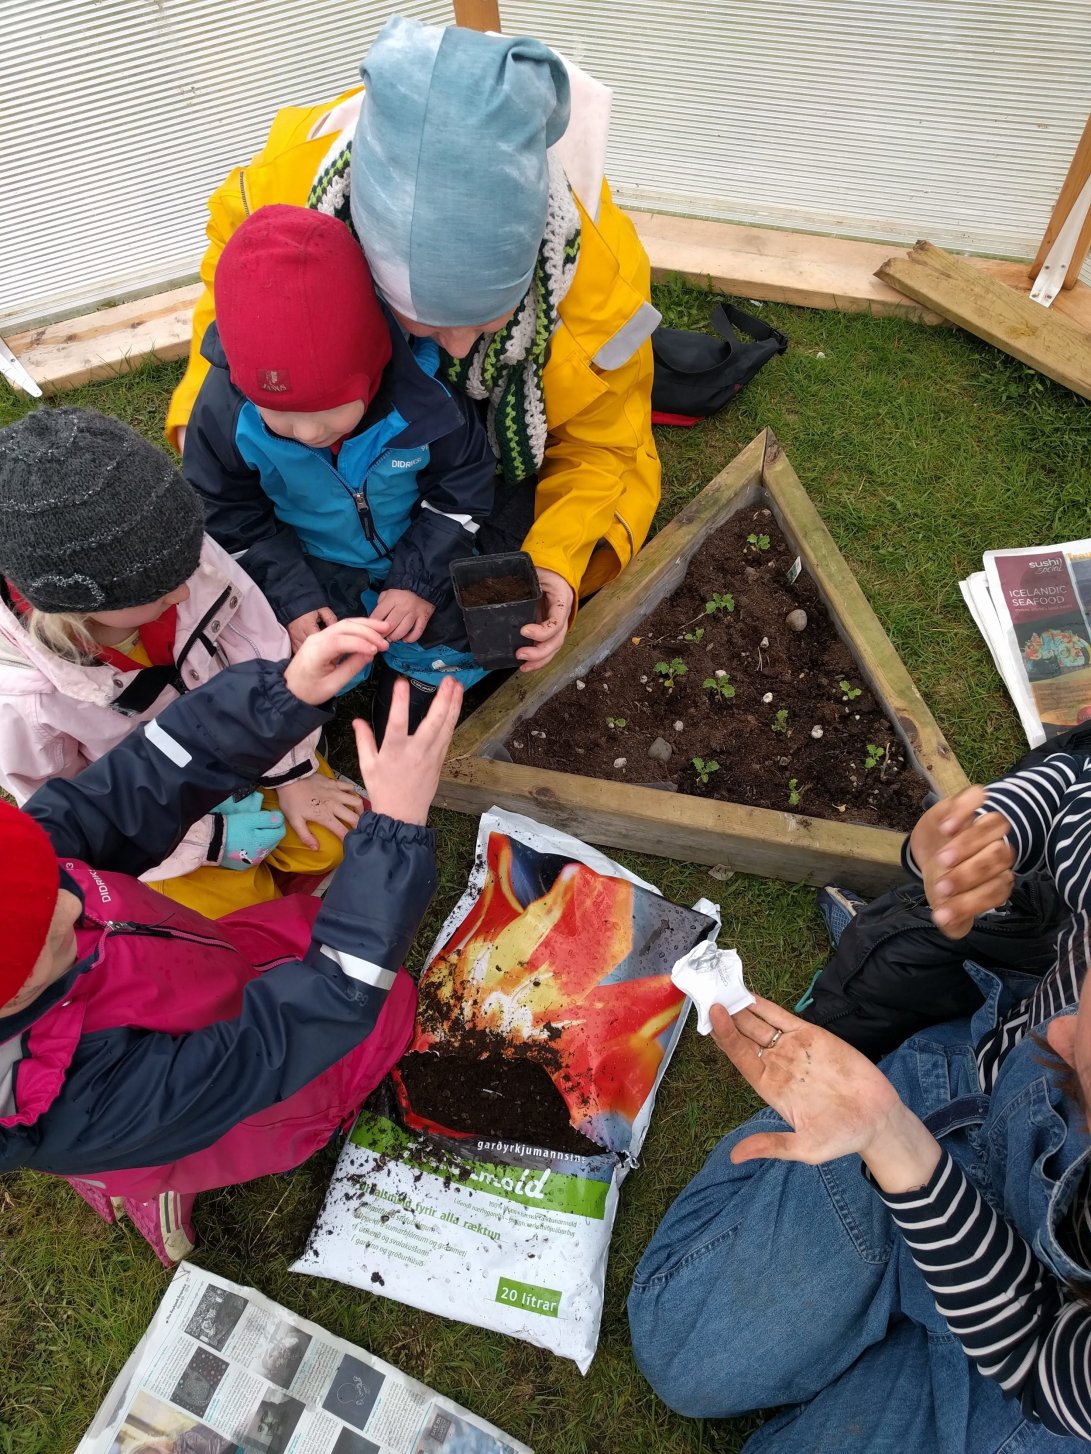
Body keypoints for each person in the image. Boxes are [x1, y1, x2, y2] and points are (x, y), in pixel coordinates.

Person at [166, 15, 662, 672]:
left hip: (452, 489)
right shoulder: (271, 214)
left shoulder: (602, 281)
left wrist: (556, 560)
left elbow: (606, 443)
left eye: (489, 322)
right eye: (421, 324)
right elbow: (225, 397)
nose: (455, 353)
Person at [629, 763, 1091, 1449]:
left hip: (1041, 1358)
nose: (1049, 1026)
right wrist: (975, 843)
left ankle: (928, 1346)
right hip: (970, 1112)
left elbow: (1033, 1355)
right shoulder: (1051, 1025)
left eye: (1077, 1076)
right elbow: (1072, 791)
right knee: (685, 1347)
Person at [0, 616, 462, 1266]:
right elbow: (300, 1026)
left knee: (289, 943)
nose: (77, 891)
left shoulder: (25, 882)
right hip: (239, 1095)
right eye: (54, 921)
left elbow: (137, 782)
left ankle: (128, 1167)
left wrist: (280, 697)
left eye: (52, 873)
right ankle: (146, 1173)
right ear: (15, 994)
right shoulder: (94, 1095)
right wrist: (393, 831)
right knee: (380, 1015)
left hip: (196, 964)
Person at [0, 407, 362, 918]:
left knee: (332, 839)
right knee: (238, 919)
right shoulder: (21, 699)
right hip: (160, 827)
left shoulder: (172, 550)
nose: (187, 588)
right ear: (79, 606)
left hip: (245, 751)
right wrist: (210, 839)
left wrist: (292, 774)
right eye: (163, 590)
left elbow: (263, 653)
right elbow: (75, 823)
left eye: (190, 565)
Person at [183, 204, 495, 727]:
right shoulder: (223, 415)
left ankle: (417, 675)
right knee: (290, 646)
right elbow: (229, 513)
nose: (308, 434)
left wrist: (418, 580)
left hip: (419, 544)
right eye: (280, 416)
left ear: (372, 369)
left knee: (470, 621)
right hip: (312, 561)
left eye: (329, 416)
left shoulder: (426, 398)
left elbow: (463, 488)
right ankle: (322, 688)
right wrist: (294, 597)